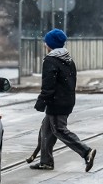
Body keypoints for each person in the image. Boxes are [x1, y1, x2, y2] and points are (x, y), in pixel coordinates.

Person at [30, 28, 97, 172]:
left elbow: (49, 85)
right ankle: (46, 161)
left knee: (59, 130)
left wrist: (42, 101)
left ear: (49, 45)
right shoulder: (68, 59)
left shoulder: (50, 60)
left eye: (46, 42)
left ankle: (86, 152)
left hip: (56, 102)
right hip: (66, 100)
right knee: (46, 129)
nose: (44, 45)